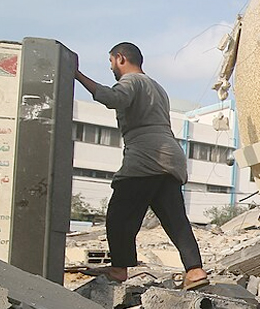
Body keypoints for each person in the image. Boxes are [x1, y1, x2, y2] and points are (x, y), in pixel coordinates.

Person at [75, 42, 209, 290]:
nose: (112, 68)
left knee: (119, 212)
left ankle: (118, 268)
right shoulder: (157, 87)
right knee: (174, 218)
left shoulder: (131, 82)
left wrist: (77, 75)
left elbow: (112, 98)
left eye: (112, 62)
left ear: (121, 58)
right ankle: (195, 270)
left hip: (147, 153)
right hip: (170, 154)